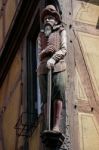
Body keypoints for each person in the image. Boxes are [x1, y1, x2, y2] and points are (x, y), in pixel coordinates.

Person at [37, 5, 67, 132]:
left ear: (55, 19)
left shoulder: (61, 31)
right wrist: (44, 53)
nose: (47, 20)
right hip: (43, 68)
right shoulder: (41, 35)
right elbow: (39, 53)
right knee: (45, 98)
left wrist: (54, 58)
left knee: (58, 93)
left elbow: (64, 49)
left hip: (59, 66)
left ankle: (56, 125)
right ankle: (47, 125)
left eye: (50, 17)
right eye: (45, 18)